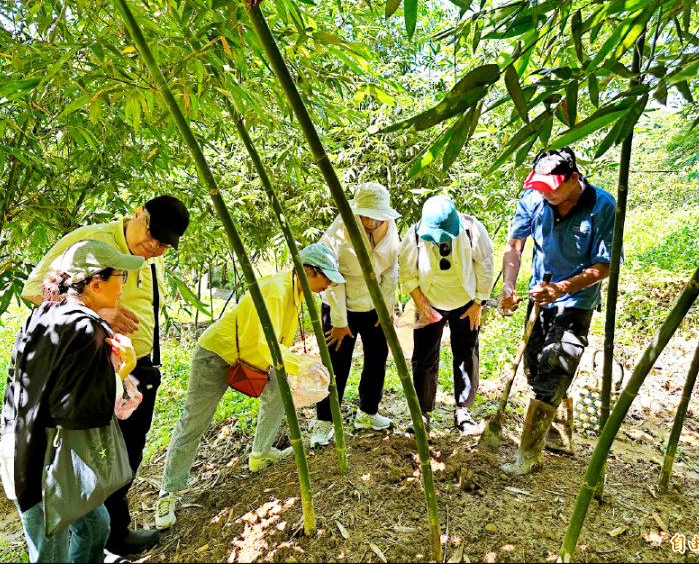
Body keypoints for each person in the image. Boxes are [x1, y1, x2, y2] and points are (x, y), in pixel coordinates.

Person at [21, 196, 189, 555]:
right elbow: (36, 289)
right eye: (152, 236)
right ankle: (88, 538)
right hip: (92, 376)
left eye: (163, 245)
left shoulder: (142, 258)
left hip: (135, 371)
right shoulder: (92, 244)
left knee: (125, 456)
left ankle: (112, 535)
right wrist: (99, 314)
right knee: (93, 460)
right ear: (138, 214)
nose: (155, 248)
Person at [153, 243, 345, 531]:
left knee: (281, 388)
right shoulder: (276, 290)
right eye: (325, 276)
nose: (328, 283)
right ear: (306, 271)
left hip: (251, 360)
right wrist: (301, 363)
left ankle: (261, 452)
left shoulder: (297, 293)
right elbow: (263, 344)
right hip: (217, 355)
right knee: (194, 421)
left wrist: (297, 363)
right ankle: (168, 493)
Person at [0, 240, 144, 563]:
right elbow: (83, 410)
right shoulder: (85, 328)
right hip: (50, 464)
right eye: (120, 276)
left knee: (95, 528)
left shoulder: (44, 313)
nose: (123, 286)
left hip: (22, 444)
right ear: (96, 283)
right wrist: (126, 369)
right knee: (49, 552)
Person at [497, 147, 615, 475]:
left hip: (575, 301)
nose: (546, 195)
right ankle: (558, 430)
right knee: (534, 367)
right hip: (540, 296)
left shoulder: (602, 206)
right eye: (541, 188)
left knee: (553, 370)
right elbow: (515, 245)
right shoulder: (534, 198)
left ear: (574, 179)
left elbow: (603, 266)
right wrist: (509, 285)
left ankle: (528, 455)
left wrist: (561, 289)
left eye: (553, 190)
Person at [311, 182, 401, 447]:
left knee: (377, 357)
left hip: (373, 303)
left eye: (378, 216)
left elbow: (390, 273)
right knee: (337, 363)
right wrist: (339, 322)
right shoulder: (338, 232)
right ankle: (325, 421)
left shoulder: (389, 227)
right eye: (366, 215)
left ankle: (367, 413)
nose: (372, 222)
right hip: (341, 303)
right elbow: (332, 280)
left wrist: (385, 310)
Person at [399, 195, 494, 435]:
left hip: (466, 302)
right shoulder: (414, 235)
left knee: (466, 353)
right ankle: (422, 412)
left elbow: (484, 264)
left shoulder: (472, 228)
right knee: (424, 357)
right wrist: (421, 304)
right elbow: (407, 273)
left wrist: (479, 302)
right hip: (429, 302)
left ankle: (463, 410)